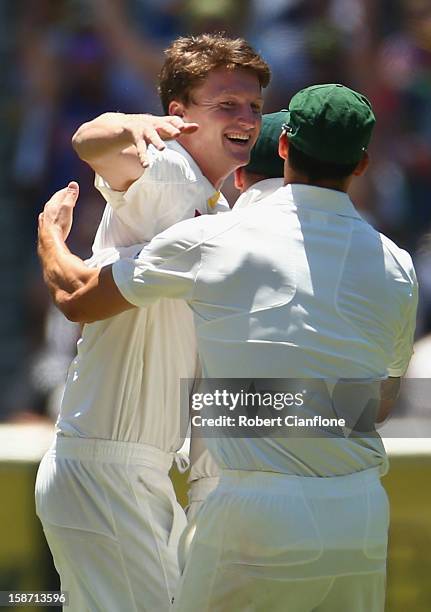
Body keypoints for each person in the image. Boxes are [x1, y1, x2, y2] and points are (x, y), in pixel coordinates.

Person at [38, 84, 418, 611]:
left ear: (284, 146)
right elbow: (377, 403)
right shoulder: (398, 265)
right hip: (360, 514)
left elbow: (77, 297)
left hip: (253, 516)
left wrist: (50, 238)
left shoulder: (221, 235)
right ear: (362, 163)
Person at [35, 33, 270, 612]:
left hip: (136, 474)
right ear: (178, 116)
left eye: (254, 108)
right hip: (104, 471)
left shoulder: (219, 208)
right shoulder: (167, 168)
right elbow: (90, 143)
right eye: (227, 104)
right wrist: (128, 124)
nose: (245, 118)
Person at [187, 111, 286, 520]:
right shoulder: (377, 249)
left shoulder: (210, 235)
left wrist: (51, 242)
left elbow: (81, 300)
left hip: (223, 481)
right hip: (326, 479)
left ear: (241, 177)